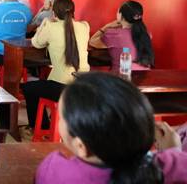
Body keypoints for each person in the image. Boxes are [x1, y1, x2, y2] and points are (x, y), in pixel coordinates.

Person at [35, 72, 187, 183]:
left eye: (62, 117)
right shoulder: (173, 167)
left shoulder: (53, 170)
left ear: (82, 147)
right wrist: (174, 154)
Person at [21, 0, 90, 130]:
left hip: (61, 86)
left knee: (28, 88)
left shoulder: (51, 27)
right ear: (73, 12)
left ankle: (41, 128)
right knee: (40, 86)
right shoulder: (84, 26)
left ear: (54, 13)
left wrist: (45, 23)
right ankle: (53, 123)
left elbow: (36, 43)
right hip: (83, 84)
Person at [89, 0, 154, 72]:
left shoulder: (114, 34)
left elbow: (92, 42)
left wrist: (107, 26)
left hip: (121, 76)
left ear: (121, 15)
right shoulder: (147, 34)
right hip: (145, 75)